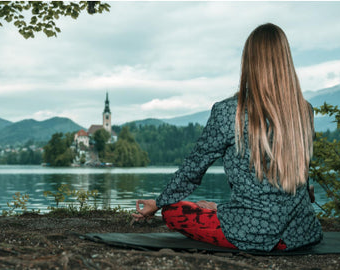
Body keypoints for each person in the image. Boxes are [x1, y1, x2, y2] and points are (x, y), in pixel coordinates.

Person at [132, 23, 323, 251]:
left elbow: (193, 169)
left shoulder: (228, 112)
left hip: (252, 233)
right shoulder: (304, 111)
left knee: (172, 211)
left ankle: (221, 211)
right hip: (302, 233)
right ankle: (222, 208)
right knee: (224, 207)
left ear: (249, 62)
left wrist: (159, 202)